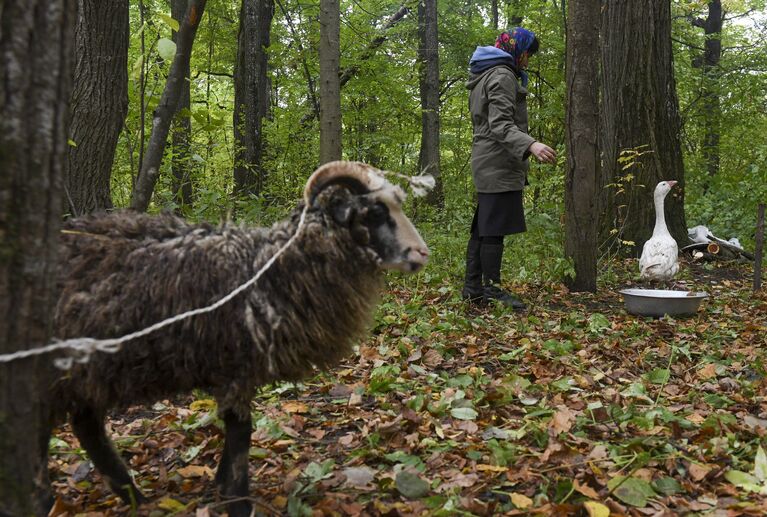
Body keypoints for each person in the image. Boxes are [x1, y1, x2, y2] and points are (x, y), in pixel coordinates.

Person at [461, 27, 557, 310]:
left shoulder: (487, 72)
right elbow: (500, 124)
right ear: (520, 51)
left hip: (488, 159)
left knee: (484, 226)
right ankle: (491, 290)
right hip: (497, 161)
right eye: (528, 54)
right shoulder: (502, 75)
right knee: (492, 230)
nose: (527, 61)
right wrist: (531, 145)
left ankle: (473, 288)